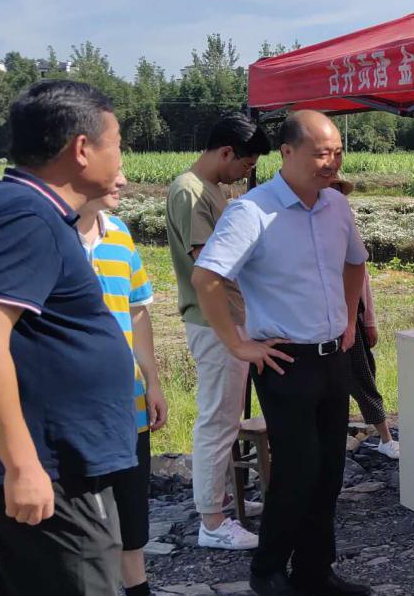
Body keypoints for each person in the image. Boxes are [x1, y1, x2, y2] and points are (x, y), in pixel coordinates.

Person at [0, 79, 134, 594]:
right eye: (117, 144)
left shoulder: (32, 212)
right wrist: (23, 465)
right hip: (55, 469)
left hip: (61, 464)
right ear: (82, 148)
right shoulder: (23, 215)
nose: (121, 159)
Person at [193, 110, 370, 596]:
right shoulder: (253, 211)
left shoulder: (336, 207)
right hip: (285, 359)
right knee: (296, 473)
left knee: (329, 471)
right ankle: (268, 571)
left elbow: (355, 264)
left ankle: (315, 570)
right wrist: (237, 343)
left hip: (333, 356)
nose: (331, 163)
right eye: (321, 153)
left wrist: (349, 319)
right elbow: (207, 278)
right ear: (287, 152)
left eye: (337, 153)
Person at [166, 113, 270, 550]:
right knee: (218, 419)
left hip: (227, 318)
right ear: (226, 152)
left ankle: (222, 502)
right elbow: (209, 262)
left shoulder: (211, 189)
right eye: (245, 164)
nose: (245, 173)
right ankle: (212, 521)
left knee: (224, 415)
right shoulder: (190, 191)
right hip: (214, 322)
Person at [76, 171, 167, 596]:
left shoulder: (120, 234)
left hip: (127, 405)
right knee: (84, 522)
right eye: (113, 169)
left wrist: (153, 382)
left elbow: (137, 312)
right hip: (75, 412)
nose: (124, 180)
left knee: (131, 513)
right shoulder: (50, 239)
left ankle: (138, 588)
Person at [330, 178, 399, 460]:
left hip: (348, 317)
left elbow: (362, 277)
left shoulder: (345, 226)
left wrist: (368, 320)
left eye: (337, 192)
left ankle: (385, 437)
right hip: (316, 318)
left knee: (362, 376)